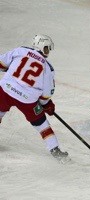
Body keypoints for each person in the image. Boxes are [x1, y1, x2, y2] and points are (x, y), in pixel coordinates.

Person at [0, 34, 69, 163]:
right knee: (42, 125)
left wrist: (10, 70)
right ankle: (56, 152)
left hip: (6, 90)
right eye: (47, 48)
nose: (48, 51)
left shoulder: (20, 51)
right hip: (27, 99)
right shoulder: (47, 67)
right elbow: (47, 93)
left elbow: (1, 63)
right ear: (41, 46)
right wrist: (45, 104)